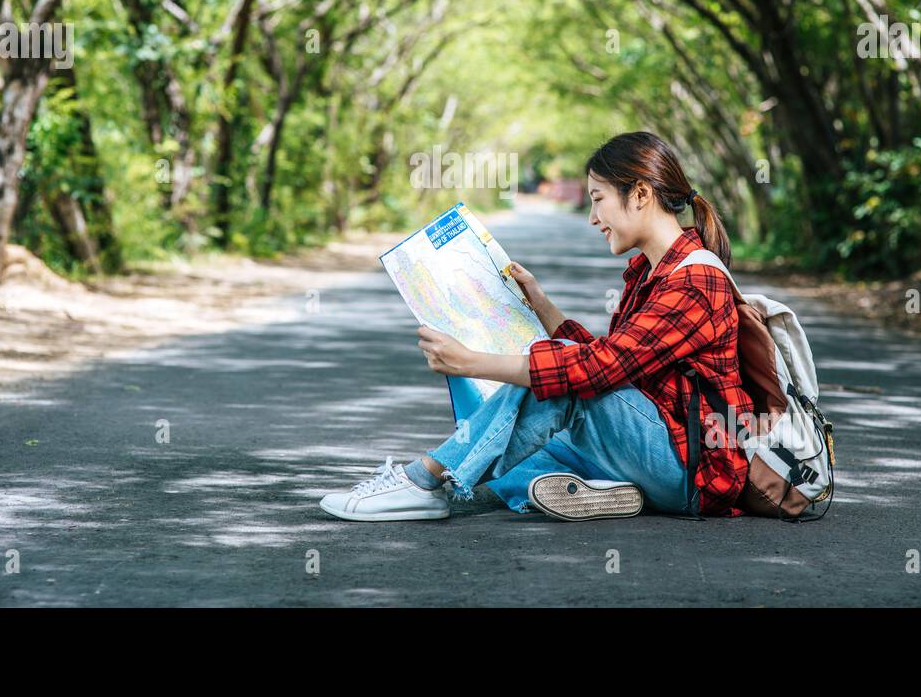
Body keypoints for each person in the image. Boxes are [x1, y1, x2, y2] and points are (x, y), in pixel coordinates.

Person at [319, 131, 753, 522]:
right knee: (515, 445)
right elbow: (622, 362)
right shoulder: (649, 270)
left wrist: (471, 362)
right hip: (658, 445)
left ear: (639, 194)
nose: (592, 217)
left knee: (560, 381)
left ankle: (422, 481)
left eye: (598, 198)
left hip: (694, 474)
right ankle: (609, 493)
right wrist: (542, 305)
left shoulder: (696, 280)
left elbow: (596, 370)